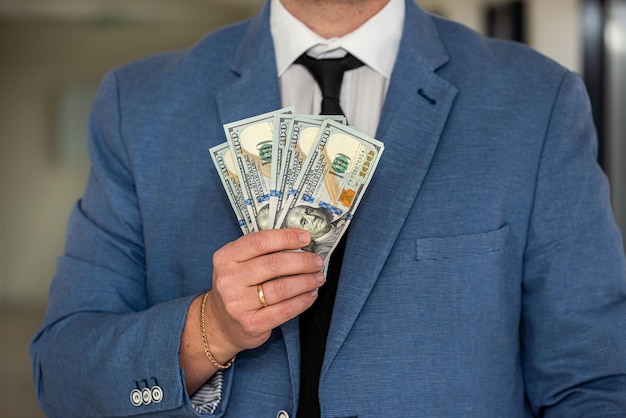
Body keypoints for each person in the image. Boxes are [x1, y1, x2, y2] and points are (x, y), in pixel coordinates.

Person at [30, 0, 626, 417]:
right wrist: (209, 329)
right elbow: (63, 378)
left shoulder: (536, 101)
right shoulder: (138, 108)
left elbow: (597, 381)